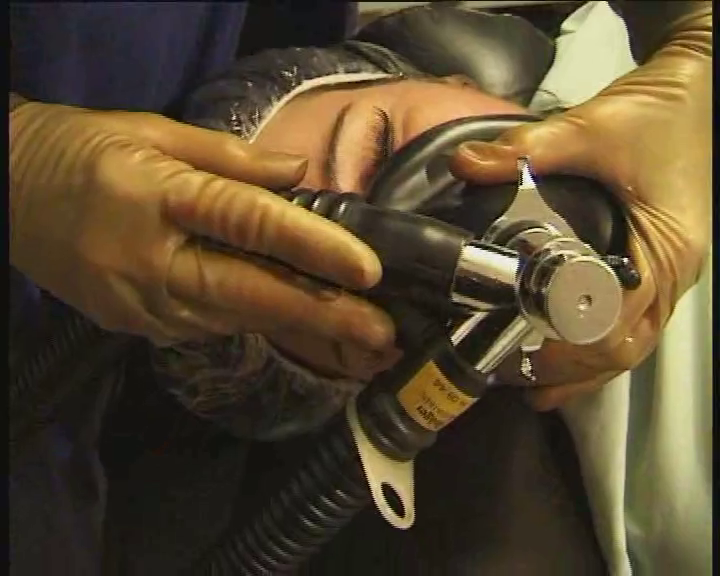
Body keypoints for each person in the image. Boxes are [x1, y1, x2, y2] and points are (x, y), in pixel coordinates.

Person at [9, 1, 711, 575]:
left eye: (383, 149)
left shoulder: (630, 76)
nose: (452, 242)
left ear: (467, 85)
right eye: (357, 284)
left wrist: (699, 45)